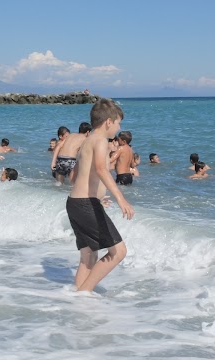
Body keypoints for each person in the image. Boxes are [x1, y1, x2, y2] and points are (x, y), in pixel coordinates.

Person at [66, 98, 134, 292]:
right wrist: (121, 199)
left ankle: (77, 300)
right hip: (86, 204)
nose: (118, 128)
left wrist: (95, 196)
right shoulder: (101, 141)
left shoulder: (86, 141)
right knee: (118, 251)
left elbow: (74, 177)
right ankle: (84, 293)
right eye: (119, 123)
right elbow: (101, 170)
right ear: (109, 122)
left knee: (88, 256)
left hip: (75, 203)